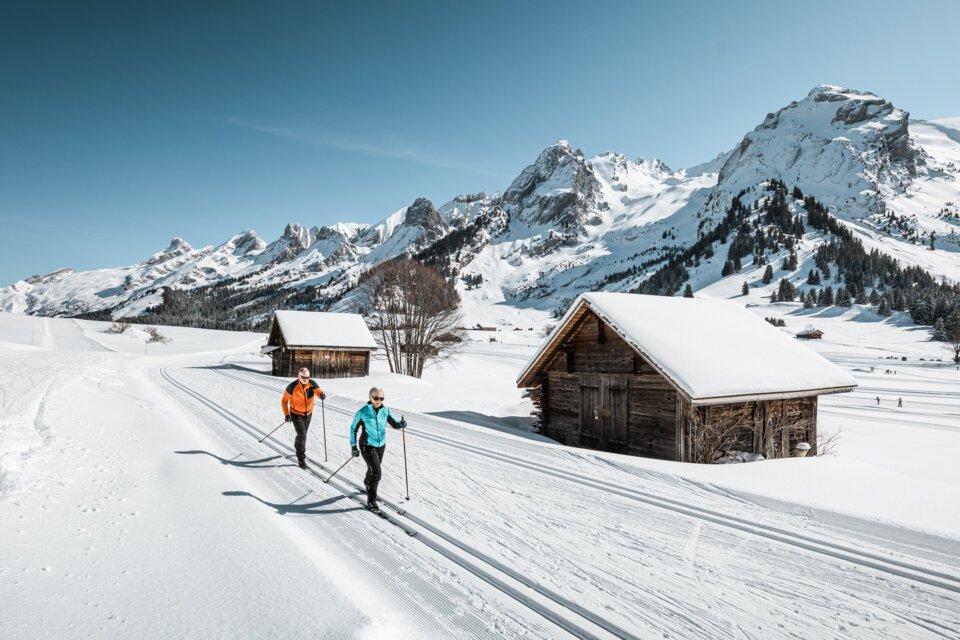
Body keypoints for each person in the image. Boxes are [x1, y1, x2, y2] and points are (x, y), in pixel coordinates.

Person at [349, 387, 406, 514]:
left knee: (374, 468)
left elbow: (395, 424)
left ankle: (367, 482)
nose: (378, 400)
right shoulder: (362, 412)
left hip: (381, 445)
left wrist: (401, 424)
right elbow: (353, 429)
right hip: (367, 445)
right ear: (370, 398)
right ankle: (371, 500)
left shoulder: (385, 411)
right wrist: (353, 446)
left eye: (381, 398)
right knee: (377, 473)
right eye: (375, 398)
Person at [280, 368, 326, 469]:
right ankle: (301, 458)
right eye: (303, 377)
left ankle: (298, 446)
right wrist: (287, 415)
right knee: (302, 434)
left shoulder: (312, 384)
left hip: (308, 413)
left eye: (307, 377)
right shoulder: (292, 387)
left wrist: (322, 395)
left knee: (302, 435)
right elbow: (284, 401)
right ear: (299, 376)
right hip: (296, 413)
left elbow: (319, 392)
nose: (305, 379)